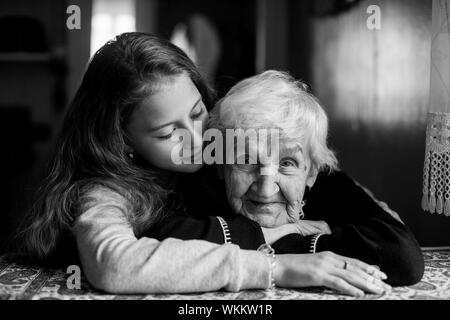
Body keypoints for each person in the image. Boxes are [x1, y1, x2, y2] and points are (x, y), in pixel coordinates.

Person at [17, 33, 391, 297]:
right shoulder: (104, 192)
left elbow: (315, 179)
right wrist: (278, 262)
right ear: (123, 139)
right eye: (168, 134)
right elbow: (113, 265)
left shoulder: (221, 140)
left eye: (197, 113)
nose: (198, 140)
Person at [146, 70, 425, 287]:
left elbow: (402, 258)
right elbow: (160, 238)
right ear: (221, 165)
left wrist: (284, 247)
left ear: (312, 170)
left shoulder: (328, 182)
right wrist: (288, 236)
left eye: (287, 163)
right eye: (245, 160)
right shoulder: (198, 183)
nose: (266, 189)